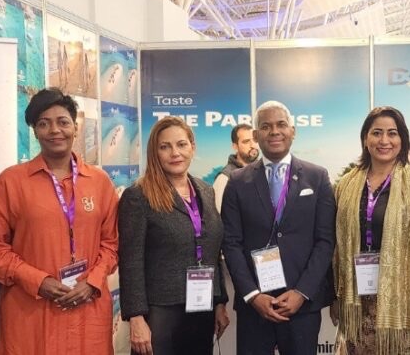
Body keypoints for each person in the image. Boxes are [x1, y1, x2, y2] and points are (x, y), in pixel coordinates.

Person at [0, 88, 119, 354]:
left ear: (75, 127)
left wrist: (92, 282)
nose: (55, 130)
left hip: (87, 310)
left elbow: (112, 243)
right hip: (30, 313)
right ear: (35, 132)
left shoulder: (100, 182)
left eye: (63, 122)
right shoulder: (11, 182)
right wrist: (38, 281)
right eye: (44, 124)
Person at [221, 100, 335, 355]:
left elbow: (325, 240)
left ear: (293, 131)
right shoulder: (237, 182)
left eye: (281, 124)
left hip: (301, 306)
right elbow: (231, 242)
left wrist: (302, 292)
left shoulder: (317, 177)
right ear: (255, 135)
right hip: (255, 306)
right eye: (266, 126)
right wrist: (252, 295)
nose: (274, 131)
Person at [331, 106, 410, 354]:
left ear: (402, 139)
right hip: (357, 300)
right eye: (376, 133)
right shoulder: (346, 185)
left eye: (392, 133)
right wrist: (335, 297)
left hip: (405, 304)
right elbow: (335, 245)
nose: (384, 140)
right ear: (365, 138)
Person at [118, 116, 230, 355]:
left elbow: (212, 250)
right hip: (160, 312)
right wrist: (136, 317)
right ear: (154, 152)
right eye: (165, 146)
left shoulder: (206, 191)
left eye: (181, 144)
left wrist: (220, 301)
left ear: (192, 147)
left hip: (202, 306)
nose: (175, 153)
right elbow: (130, 261)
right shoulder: (138, 196)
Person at [212, 123, 260, 212]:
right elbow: (217, 217)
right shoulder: (224, 179)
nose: (253, 145)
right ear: (235, 146)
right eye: (246, 141)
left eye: (255, 140)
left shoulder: (265, 172)